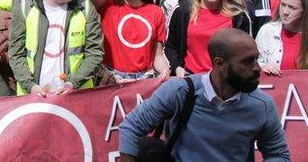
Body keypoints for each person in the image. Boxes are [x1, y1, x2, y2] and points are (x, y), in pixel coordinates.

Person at [118, 29, 289, 162]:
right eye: (247, 62)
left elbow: (277, 153)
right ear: (220, 63)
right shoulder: (180, 92)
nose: (257, 68)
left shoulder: (262, 105)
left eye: (256, 59)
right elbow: (131, 127)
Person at [8, 0, 103, 96]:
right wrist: (30, 86)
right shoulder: (24, 9)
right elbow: (16, 55)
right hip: (34, 96)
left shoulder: (86, 8)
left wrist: (73, 83)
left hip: (75, 95)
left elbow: (95, 53)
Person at [82, 0, 169, 81]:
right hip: (110, 78)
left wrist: (164, 69)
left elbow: (157, 56)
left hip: (143, 80)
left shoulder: (156, 12)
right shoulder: (108, 3)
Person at [165, 0, 252, 77]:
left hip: (226, 83)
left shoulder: (239, 15)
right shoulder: (182, 11)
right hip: (191, 79)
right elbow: (170, 47)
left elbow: (247, 51)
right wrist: (177, 67)